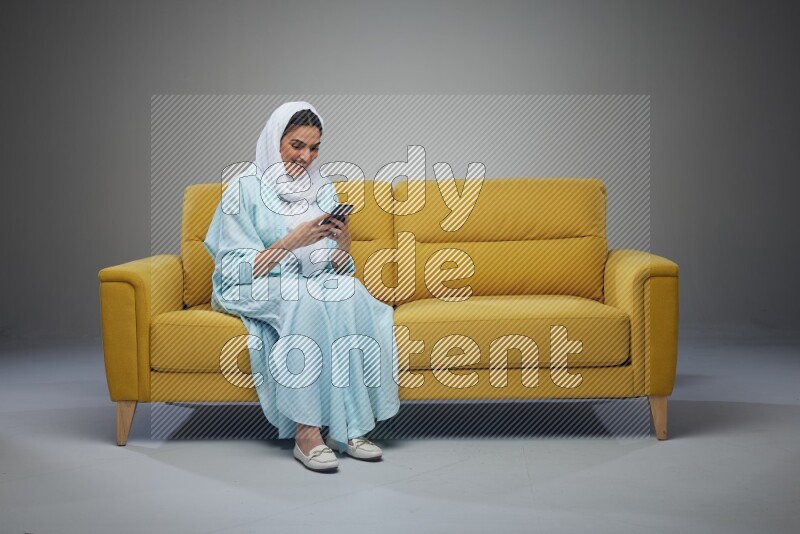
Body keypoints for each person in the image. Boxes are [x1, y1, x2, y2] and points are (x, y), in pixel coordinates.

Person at [203, 101, 401, 472]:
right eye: (296, 145)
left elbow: (338, 268)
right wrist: (290, 242)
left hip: (310, 279)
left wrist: (342, 244)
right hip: (253, 283)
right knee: (303, 302)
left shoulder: (321, 187)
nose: (306, 156)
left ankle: (350, 427)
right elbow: (233, 271)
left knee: (352, 295)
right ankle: (306, 433)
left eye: (314, 148)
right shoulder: (243, 189)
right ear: (275, 141)